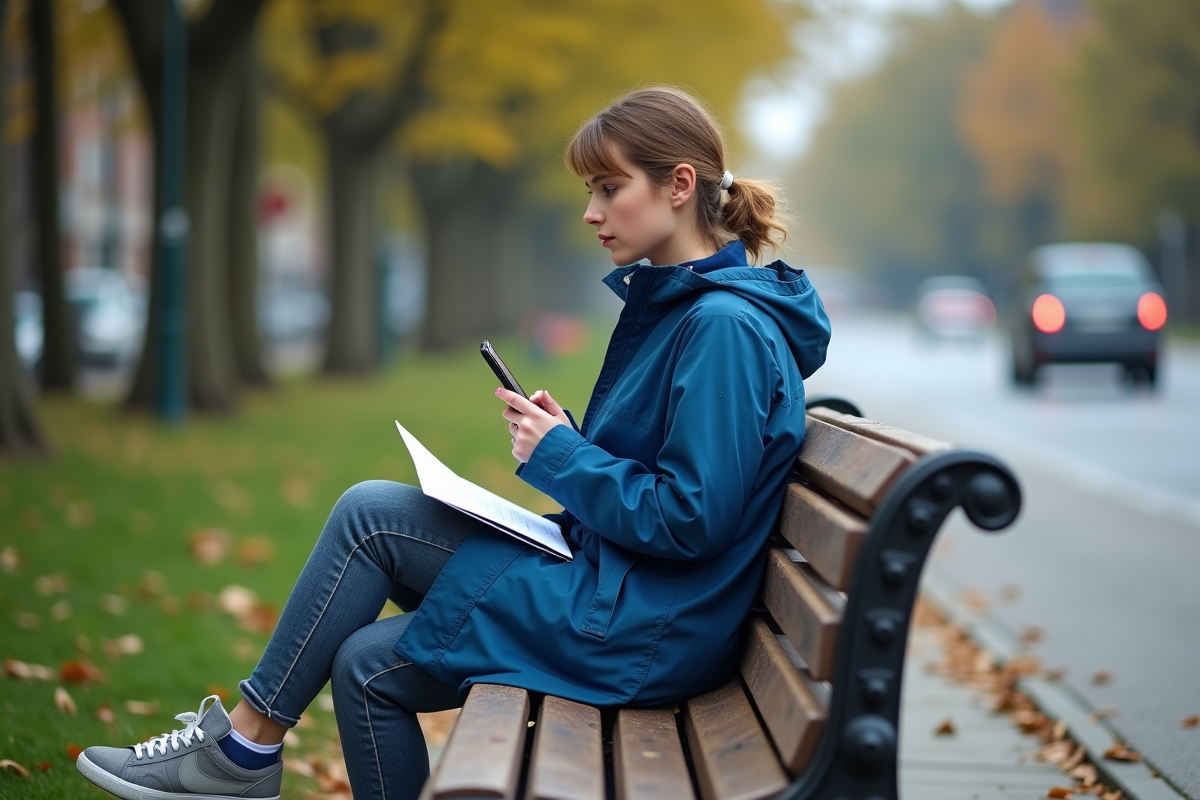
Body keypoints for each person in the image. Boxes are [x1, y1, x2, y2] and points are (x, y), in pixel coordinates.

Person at [75, 86, 831, 800]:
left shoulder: (721, 329)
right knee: (371, 526)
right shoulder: (687, 309)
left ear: (678, 185)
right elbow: (672, 478)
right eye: (589, 192)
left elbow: (692, 517)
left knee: (369, 638)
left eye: (609, 187)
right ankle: (244, 750)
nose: (591, 212)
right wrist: (569, 441)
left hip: (645, 626)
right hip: (625, 590)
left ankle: (241, 753)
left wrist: (562, 457)